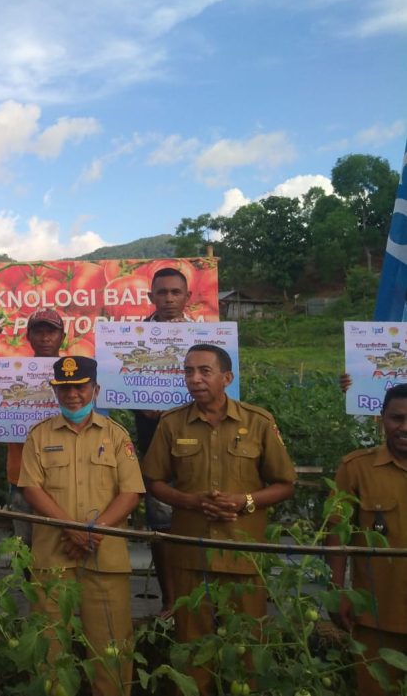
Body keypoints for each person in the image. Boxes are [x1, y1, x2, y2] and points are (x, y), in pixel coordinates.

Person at [141, 344, 296, 693]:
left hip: (242, 555)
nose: (194, 379)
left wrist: (246, 501)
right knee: (193, 649)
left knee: (247, 648)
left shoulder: (258, 422)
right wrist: (189, 501)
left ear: (227, 378)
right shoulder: (171, 422)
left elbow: (285, 484)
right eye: (188, 371)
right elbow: (153, 481)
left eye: (204, 371)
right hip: (190, 554)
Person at [19, 356, 144, 696]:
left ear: (95, 389)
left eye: (80, 387)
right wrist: (71, 528)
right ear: (55, 390)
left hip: (105, 560)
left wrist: (92, 530)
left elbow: (131, 492)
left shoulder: (117, 436)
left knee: (111, 651)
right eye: (64, 388)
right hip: (53, 560)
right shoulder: (38, 435)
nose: (72, 394)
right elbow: (31, 488)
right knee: (50, 650)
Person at [0, 308, 65, 547]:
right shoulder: (11, 372)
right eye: (39, 332)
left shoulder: (74, 371)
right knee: (26, 547)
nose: (45, 337)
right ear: (28, 336)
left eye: (51, 332)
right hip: (22, 476)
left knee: (62, 545)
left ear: (62, 337)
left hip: (67, 475)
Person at [329, 383, 407, 696]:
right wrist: (337, 589)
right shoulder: (356, 468)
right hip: (377, 614)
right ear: (381, 419)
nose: (404, 427)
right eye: (396, 418)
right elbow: (337, 532)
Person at [132, 266, 194, 613]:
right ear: (151, 297)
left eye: (175, 292)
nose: (168, 298)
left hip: (200, 440)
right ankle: (170, 601)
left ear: (187, 297)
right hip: (155, 443)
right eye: (162, 292)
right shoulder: (134, 336)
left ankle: (202, 601)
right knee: (161, 525)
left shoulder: (206, 337)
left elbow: (221, 385)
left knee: (202, 519)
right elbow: (119, 385)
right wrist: (142, 403)